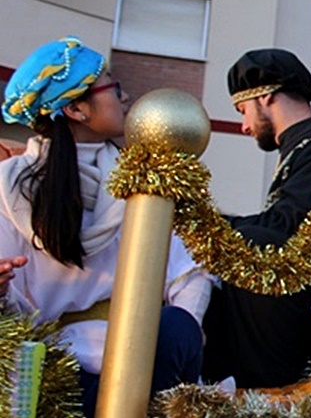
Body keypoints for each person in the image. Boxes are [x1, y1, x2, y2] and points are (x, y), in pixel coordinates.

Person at [0, 36, 212, 417]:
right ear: (78, 109)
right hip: (60, 375)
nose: (126, 96)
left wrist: (175, 338)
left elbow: (190, 273)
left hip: (152, 361)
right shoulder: (10, 186)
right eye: (113, 85)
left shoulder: (147, 179)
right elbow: (13, 304)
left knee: (175, 327)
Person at [200, 48, 311, 388]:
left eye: (243, 110)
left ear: (266, 95)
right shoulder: (302, 148)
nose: (243, 125)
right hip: (306, 285)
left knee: (249, 250)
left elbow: (289, 229)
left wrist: (205, 228)